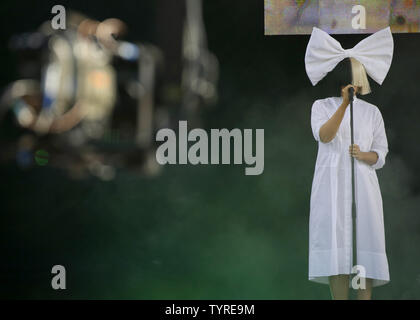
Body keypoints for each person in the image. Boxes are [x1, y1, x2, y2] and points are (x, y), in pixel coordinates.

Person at [305, 27, 394, 300]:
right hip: (332, 187)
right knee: (337, 252)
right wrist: (344, 105)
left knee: (363, 248)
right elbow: (324, 136)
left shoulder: (372, 112)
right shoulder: (321, 106)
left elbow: (381, 153)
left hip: (363, 188)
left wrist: (364, 155)